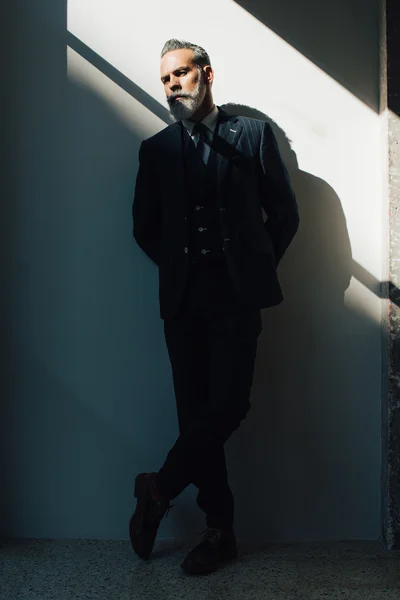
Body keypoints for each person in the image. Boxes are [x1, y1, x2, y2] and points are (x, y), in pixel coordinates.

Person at [130, 39, 299, 575]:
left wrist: (250, 269)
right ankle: (220, 530)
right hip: (183, 303)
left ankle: (158, 487)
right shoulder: (155, 150)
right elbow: (145, 227)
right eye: (165, 79)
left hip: (236, 299)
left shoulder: (251, 135)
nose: (173, 84)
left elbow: (285, 215)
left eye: (181, 73)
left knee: (228, 407)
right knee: (196, 414)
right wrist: (182, 268)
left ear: (206, 73)